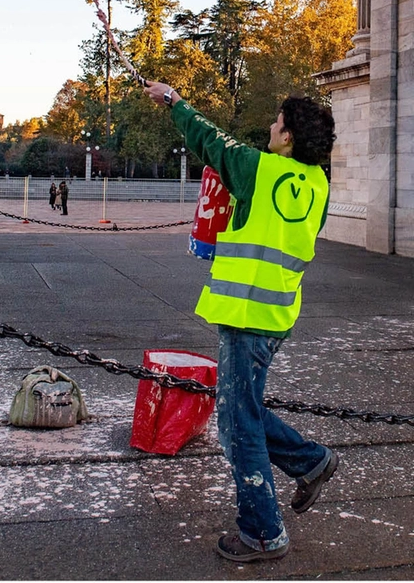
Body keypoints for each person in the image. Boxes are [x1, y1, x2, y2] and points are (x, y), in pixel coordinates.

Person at [144, 80, 338, 563]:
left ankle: (262, 531)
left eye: (276, 124)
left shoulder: (258, 170)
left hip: (244, 312)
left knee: (236, 423)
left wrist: (174, 100)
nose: (270, 129)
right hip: (277, 314)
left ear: (288, 137)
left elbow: (211, 140)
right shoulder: (319, 185)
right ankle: (310, 462)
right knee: (242, 409)